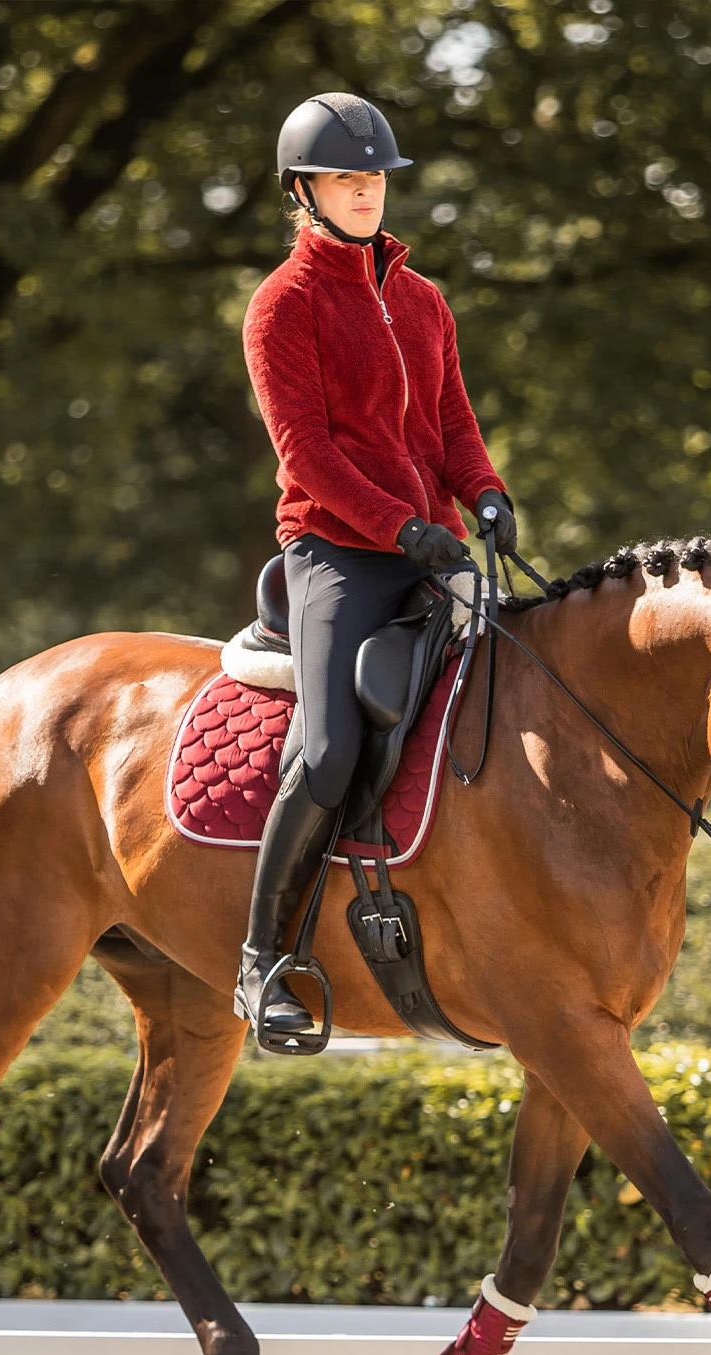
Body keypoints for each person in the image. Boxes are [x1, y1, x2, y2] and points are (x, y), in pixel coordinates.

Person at [235, 91, 518, 1042]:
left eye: (375, 180)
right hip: (338, 557)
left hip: (431, 549)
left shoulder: (422, 300)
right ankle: (261, 960)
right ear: (305, 192)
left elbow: (451, 430)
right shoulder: (284, 305)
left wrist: (484, 495)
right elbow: (307, 455)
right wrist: (400, 530)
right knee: (330, 751)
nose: (366, 194)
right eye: (347, 180)